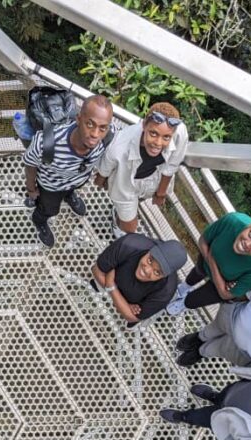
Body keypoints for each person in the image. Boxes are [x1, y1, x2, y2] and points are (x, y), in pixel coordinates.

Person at [23, 94, 114, 248]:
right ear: (78, 119)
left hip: (77, 179)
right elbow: (30, 164)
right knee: (49, 209)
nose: (95, 134)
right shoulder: (46, 143)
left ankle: (69, 195)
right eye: (90, 124)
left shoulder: (107, 138)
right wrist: (31, 189)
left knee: (72, 188)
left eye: (102, 128)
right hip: (51, 186)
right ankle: (39, 220)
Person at [94, 102, 188, 237]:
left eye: (166, 137)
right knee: (130, 229)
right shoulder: (119, 146)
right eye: (153, 133)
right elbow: (105, 167)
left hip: (154, 178)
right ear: (144, 125)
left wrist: (161, 193)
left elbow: (172, 165)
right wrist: (101, 180)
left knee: (141, 199)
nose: (158, 143)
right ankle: (118, 219)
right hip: (126, 184)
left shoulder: (179, 131)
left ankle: (129, 208)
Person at [166, 212, 251, 313]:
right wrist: (211, 261)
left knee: (197, 299)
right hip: (214, 270)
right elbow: (203, 240)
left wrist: (212, 261)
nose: (247, 244)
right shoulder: (232, 221)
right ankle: (184, 287)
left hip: (220, 275)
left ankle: (184, 304)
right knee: (198, 271)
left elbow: (226, 295)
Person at [91, 234, 188, 327]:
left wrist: (111, 285)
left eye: (157, 272)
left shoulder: (166, 290)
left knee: (133, 321)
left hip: (111, 281)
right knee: (96, 284)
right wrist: (126, 306)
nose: (146, 270)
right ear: (150, 251)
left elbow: (132, 317)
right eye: (150, 260)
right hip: (119, 294)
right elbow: (97, 271)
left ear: (165, 276)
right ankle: (97, 289)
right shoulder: (129, 244)